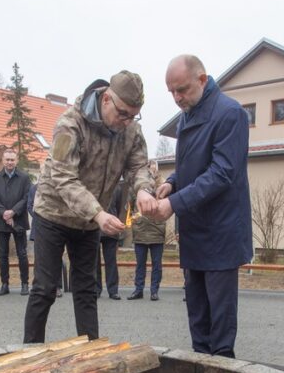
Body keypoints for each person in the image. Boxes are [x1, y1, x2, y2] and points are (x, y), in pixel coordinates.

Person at [23, 70, 157, 343]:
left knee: (87, 289)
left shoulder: (130, 130)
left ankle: (89, 355)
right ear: (106, 99)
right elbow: (63, 177)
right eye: (123, 114)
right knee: (45, 288)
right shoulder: (70, 124)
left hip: (89, 222)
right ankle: (30, 354)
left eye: (134, 115)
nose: (127, 121)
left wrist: (143, 189)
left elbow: (138, 167)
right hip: (53, 214)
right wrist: (98, 213)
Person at [152, 55, 251, 357]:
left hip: (221, 231)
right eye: (171, 92)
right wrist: (173, 181)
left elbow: (221, 173)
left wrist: (174, 204)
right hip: (194, 230)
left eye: (181, 89)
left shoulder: (230, 114)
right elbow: (192, 165)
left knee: (219, 322)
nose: (177, 98)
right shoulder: (187, 116)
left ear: (202, 80)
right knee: (197, 314)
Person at [0, 149, 31, 295]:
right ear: (2, 160)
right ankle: (4, 284)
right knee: (3, 254)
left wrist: (13, 212)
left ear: (17, 160)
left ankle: (25, 284)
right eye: (7, 159)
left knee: (22, 253)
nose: (9, 162)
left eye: (12, 159)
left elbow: (27, 197)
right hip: (1, 222)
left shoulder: (24, 177)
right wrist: (4, 213)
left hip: (19, 221)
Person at [129, 161, 166, 301]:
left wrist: (157, 179)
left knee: (157, 264)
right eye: (149, 168)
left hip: (157, 229)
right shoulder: (137, 187)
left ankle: (154, 291)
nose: (151, 170)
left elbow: (165, 201)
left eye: (154, 168)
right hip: (140, 229)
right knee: (140, 263)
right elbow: (131, 204)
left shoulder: (162, 185)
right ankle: (138, 290)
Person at [95, 181, 125, 300]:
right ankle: (96, 289)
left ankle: (113, 290)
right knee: (94, 262)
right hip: (95, 228)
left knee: (111, 261)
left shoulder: (117, 187)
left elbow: (119, 207)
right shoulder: (94, 183)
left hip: (111, 230)